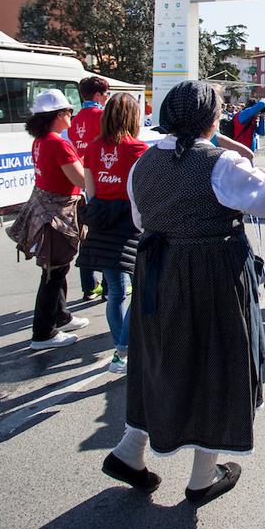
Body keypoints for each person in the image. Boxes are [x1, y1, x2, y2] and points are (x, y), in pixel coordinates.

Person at [102, 81, 265, 504]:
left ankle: (129, 452)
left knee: (163, 359)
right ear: (213, 119)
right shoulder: (222, 163)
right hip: (212, 271)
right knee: (217, 363)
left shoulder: (144, 163)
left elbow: (141, 219)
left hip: (157, 269)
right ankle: (202, 478)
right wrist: (242, 155)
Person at [7, 90, 90, 350]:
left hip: (44, 210)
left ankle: (61, 316)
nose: (71, 116)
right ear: (57, 115)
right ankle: (43, 333)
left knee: (56, 267)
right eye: (68, 112)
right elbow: (80, 180)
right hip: (57, 214)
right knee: (54, 272)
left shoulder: (41, 141)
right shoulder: (57, 143)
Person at [76, 93, 149, 374]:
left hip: (101, 222)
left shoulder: (92, 148)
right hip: (129, 223)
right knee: (140, 289)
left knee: (115, 291)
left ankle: (120, 350)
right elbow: (141, 192)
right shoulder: (138, 148)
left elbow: (90, 192)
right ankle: (123, 348)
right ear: (133, 117)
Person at [70, 76, 110, 302]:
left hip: (83, 180)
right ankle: (108, 285)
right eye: (106, 94)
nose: (107, 98)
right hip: (104, 178)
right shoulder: (102, 115)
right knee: (105, 233)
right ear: (97, 95)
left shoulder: (74, 119)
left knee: (87, 234)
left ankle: (89, 285)